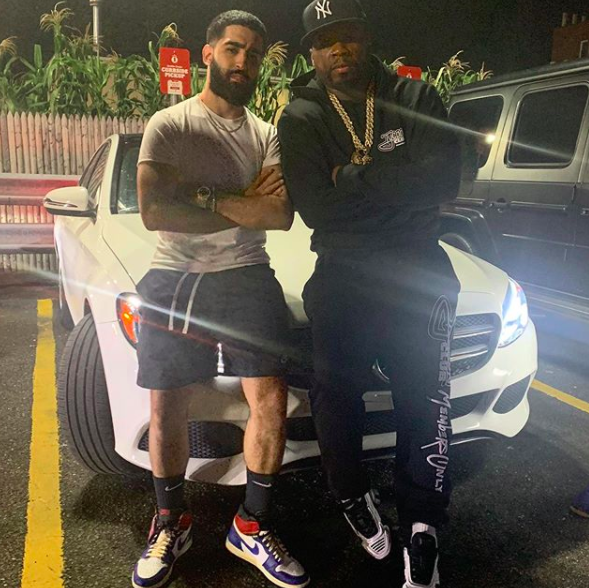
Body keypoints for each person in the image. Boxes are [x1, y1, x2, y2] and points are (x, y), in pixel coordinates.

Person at [277, 1, 461, 587]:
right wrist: (397, 189)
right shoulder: (301, 116)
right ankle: (352, 495)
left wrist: (350, 177)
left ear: (366, 38)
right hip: (343, 272)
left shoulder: (415, 97)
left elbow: (442, 180)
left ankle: (423, 526)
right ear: (312, 52)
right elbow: (315, 207)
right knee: (336, 394)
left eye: (348, 36)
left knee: (425, 397)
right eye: (324, 40)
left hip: (419, 269)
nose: (339, 49)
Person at [133, 10, 309, 588]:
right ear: (207, 53)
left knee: (271, 400)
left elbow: (278, 215)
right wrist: (240, 199)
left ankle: (251, 525)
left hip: (246, 274)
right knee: (167, 404)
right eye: (233, 48)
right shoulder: (170, 124)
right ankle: (170, 522)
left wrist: (202, 196)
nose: (243, 62)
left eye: (254, 54)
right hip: (175, 273)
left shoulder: (267, 133)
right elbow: (155, 211)